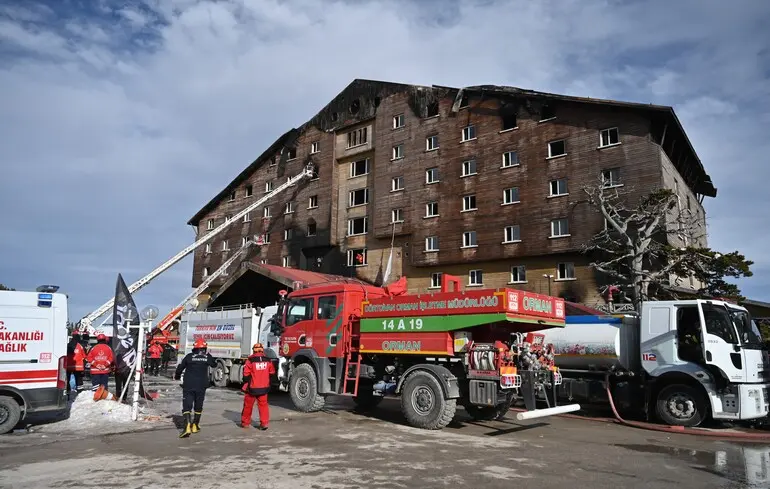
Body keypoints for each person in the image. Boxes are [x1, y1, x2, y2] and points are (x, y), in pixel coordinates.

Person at [174, 338, 216, 438]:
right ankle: (195, 425)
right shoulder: (206, 357)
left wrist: (177, 376)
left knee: (187, 405)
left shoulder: (189, 356)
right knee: (198, 405)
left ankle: (187, 426)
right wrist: (209, 355)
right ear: (204, 348)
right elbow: (214, 364)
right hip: (202, 385)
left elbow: (180, 367)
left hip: (189, 385)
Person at [240, 343, 275, 431]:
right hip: (264, 388)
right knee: (263, 406)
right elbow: (272, 373)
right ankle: (264, 423)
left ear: (253, 350)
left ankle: (245, 423)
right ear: (262, 350)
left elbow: (246, 375)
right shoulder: (268, 360)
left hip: (252, 388)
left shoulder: (250, 360)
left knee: (248, 406)